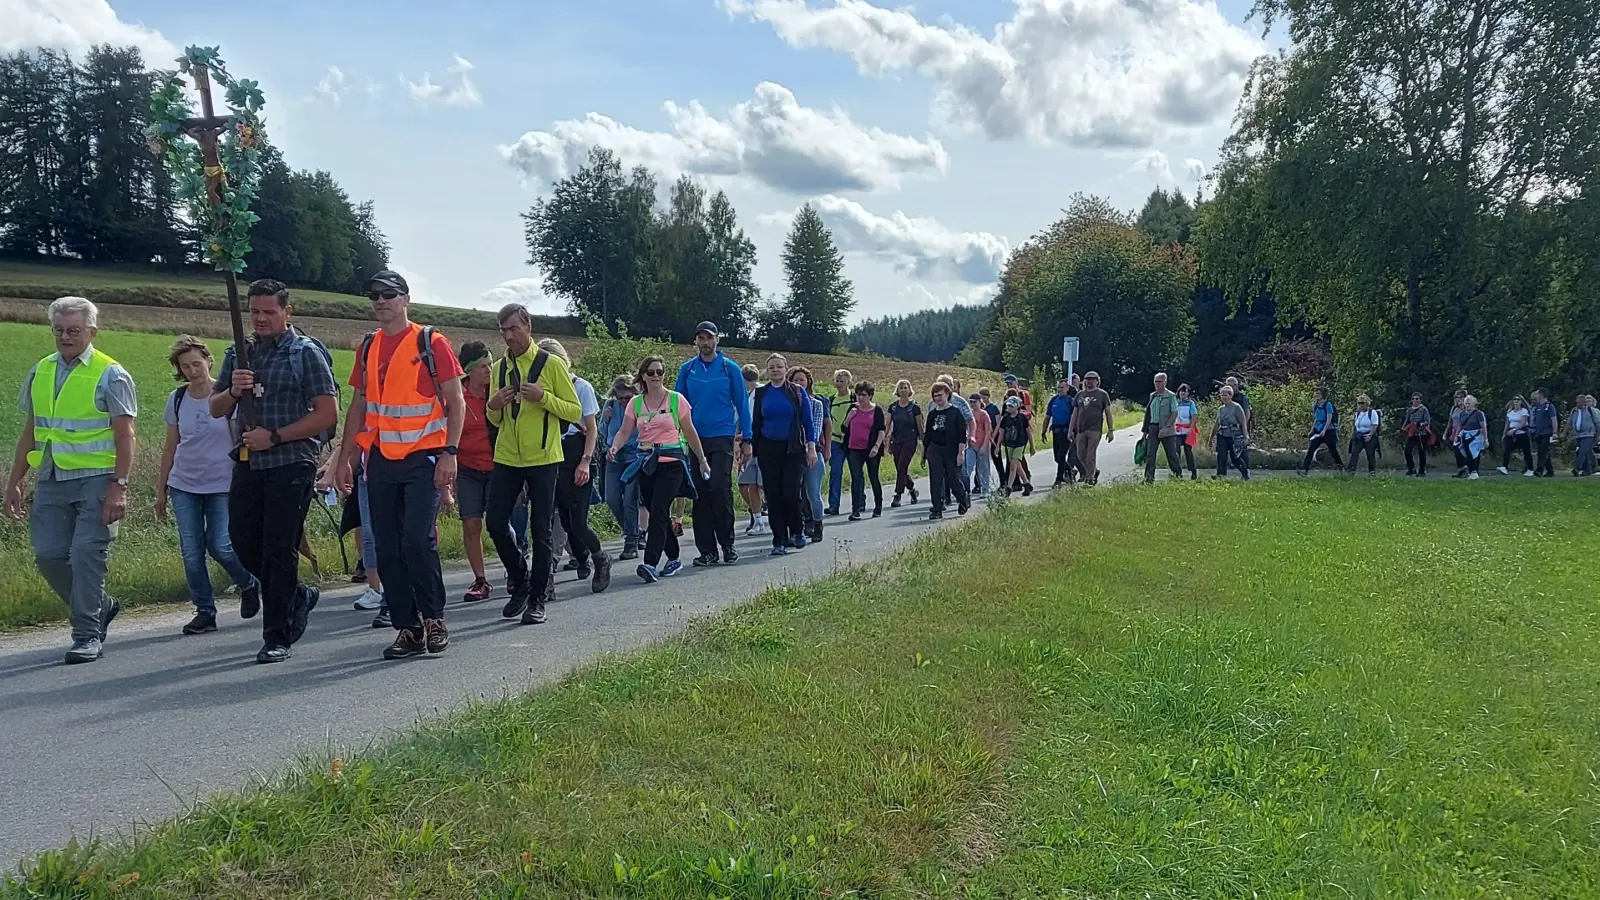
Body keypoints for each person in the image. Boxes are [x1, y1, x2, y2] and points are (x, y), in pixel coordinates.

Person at [335, 271, 465, 660]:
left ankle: (434, 619)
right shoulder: (369, 345)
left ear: (406, 299)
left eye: (388, 294)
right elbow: (359, 405)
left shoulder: (431, 342)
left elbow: (456, 402)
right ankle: (407, 628)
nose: (380, 301)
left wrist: (450, 453)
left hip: (424, 456)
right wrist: (345, 458)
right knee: (386, 548)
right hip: (381, 459)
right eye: (374, 295)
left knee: (416, 541)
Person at [211, 280, 339, 664]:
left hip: (293, 460)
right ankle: (296, 595)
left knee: (279, 549)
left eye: (270, 311)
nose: (262, 318)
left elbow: (327, 414)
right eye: (255, 311)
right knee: (242, 540)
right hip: (250, 462)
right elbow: (215, 409)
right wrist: (234, 392)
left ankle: (276, 635)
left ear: (287, 312)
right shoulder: (239, 353)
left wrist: (276, 436)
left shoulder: (305, 353)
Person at [6, 297, 137, 664]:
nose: (65, 337)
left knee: (85, 555)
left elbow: (126, 435)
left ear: (91, 332)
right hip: (51, 476)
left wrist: (120, 485)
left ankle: (86, 634)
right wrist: (15, 481)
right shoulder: (41, 371)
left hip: (97, 480)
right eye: (59, 330)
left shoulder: (111, 373)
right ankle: (100, 606)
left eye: (74, 330)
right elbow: (31, 431)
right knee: (48, 555)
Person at [483, 304, 583, 626]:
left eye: (514, 328)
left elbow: (573, 411)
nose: (509, 336)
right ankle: (521, 580)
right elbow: (493, 416)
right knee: (496, 522)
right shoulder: (499, 367)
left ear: (528, 326)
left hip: (544, 457)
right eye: (503, 331)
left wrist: (543, 397)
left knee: (540, 529)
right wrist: (493, 405)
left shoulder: (551, 365)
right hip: (507, 455)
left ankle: (537, 598)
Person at [155, 335, 259, 635]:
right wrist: (160, 489)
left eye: (196, 364)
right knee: (191, 551)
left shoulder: (225, 397)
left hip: (221, 484)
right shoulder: (177, 399)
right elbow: (170, 446)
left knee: (221, 546)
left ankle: (248, 582)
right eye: (185, 366)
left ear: (208, 362)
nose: (192, 370)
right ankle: (204, 611)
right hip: (184, 483)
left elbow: (240, 439)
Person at [608, 355, 712, 582]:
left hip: (672, 461)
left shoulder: (676, 400)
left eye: (659, 372)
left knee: (658, 510)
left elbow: (690, 430)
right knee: (658, 513)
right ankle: (674, 557)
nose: (656, 376)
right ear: (643, 376)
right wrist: (615, 447)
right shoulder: (635, 403)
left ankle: (650, 563)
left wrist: (702, 459)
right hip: (646, 462)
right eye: (651, 372)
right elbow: (625, 431)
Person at [538, 338, 611, 593]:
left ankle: (600, 558)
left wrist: (586, 462)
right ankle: (545, 580)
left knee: (576, 523)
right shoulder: (540, 390)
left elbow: (591, 430)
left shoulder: (581, 387)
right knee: (547, 521)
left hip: (577, 453)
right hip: (548, 455)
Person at [676, 322, 751, 567]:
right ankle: (707, 550)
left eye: (709, 338)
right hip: (694, 437)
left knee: (719, 487)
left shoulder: (730, 369)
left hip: (722, 436)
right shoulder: (687, 370)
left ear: (717, 340)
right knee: (700, 493)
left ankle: (727, 545)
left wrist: (747, 439)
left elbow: (742, 405)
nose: (705, 343)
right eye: (701, 338)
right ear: (696, 341)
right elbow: (677, 407)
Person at [752, 354, 818, 556]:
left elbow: (808, 421)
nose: (775, 370)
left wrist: (811, 447)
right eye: (771, 367)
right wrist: (751, 449)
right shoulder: (761, 393)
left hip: (793, 449)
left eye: (779, 367)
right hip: (768, 449)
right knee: (773, 495)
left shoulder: (796, 392)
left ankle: (797, 531)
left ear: (785, 369)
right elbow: (756, 423)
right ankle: (778, 540)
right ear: (767, 370)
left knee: (791, 492)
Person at [454, 341, 499, 602]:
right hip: (467, 468)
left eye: (490, 365)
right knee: (471, 523)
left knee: (497, 524)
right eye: (482, 367)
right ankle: (480, 579)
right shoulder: (457, 396)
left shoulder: (497, 391)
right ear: (469, 370)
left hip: (498, 466)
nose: (488, 371)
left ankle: (514, 571)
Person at [599, 374, 643, 559]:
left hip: (634, 456)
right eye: (620, 397)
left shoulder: (640, 406)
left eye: (627, 397)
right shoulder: (610, 406)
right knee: (612, 499)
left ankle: (631, 543)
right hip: (614, 457)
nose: (624, 401)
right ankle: (634, 531)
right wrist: (606, 419)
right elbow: (602, 430)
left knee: (629, 501)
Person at [788, 366, 828, 541]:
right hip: (791, 452)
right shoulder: (786, 403)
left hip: (811, 452)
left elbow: (816, 427)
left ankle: (817, 523)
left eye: (801, 380)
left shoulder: (816, 404)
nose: (798, 383)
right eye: (795, 380)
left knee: (813, 494)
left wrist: (808, 447)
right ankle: (798, 527)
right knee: (793, 494)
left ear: (808, 382)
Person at [922, 382, 970, 520]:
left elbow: (962, 434)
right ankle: (937, 508)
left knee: (952, 479)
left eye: (940, 395)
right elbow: (928, 435)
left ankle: (962, 499)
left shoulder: (955, 412)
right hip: (934, 449)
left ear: (947, 394)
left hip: (951, 450)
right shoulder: (932, 414)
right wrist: (924, 454)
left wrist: (960, 453)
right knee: (935, 479)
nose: (937, 398)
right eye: (934, 396)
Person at [841, 381, 888, 519]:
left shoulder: (877, 411)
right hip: (853, 449)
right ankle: (855, 510)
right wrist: (849, 417)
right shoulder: (853, 408)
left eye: (863, 395)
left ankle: (878, 506)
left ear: (870, 396)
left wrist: (876, 447)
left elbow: (881, 431)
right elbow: (844, 429)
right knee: (856, 478)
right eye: (858, 394)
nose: (860, 398)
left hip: (871, 449)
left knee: (873, 477)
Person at [1069, 371, 1113, 485]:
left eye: (1093, 379)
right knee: (1080, 455)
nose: (1090, 381)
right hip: (1081, 429)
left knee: (1090, 454)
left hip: (1095, 429)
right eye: (1088, 379)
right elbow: (1075, 413)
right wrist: (1070, 430)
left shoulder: (1102, 395)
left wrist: (1110, 430)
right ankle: (1093, 471)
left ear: (1097, 381)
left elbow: (1108, 412)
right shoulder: (1080, 395)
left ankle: (1089, 478)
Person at [736, 364, 766, 535]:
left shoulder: (762, 393)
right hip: (748, 447)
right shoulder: (746, 396)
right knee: (747, 484)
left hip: (762, 446)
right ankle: (757, 519)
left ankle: (777, 517)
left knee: (763, 484)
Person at [887, 380, 923, 506]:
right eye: (900, 388)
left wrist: (924, 442)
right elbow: (887, 425)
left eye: (905, 387)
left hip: (910, 440)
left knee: (902, 466)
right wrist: (884, 440)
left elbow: (920, 426)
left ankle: (898, 495)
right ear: (897, 390)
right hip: (896, 440)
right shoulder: (893, 407)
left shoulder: (915, 407)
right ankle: (912, 490)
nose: (903, 390)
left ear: (909, 390)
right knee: (900, 469)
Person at [1143, 372, 1181, 484]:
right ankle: (1149, 478)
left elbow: (1174, 412)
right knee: (1150, 454)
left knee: (1171, 453)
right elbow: (1148, 414)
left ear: (1165, 382)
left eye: (1159, 382)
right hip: (1153, 427)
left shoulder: (1171, 396)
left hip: (1166, 428)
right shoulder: (1152, 396)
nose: (1157, 384)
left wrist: (1167, 426)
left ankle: (1177, 474)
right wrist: (1145, 430)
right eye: (1156, 381)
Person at [824, 368, 852, 516]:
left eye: (842, 380)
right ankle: (833, 505)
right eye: (837, 381)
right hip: (835, 441)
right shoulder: (831, 400)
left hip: (852, 441)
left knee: (856, 473)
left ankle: (860, 502)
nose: (840, 383)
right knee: (835, 473)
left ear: (849, 381)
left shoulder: (855, 399)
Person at [1299, 387, 1343, 474]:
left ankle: (1340, 465)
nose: (1316, 395)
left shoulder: (1328, 405)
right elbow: (1316, 419)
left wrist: (1324, 430)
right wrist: (1311, 431)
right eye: (1316, 393)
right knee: (1311, 449)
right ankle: (1305, 469)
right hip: (1318, 430)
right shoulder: (1315, 405)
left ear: (1323, 395)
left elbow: (1329, 419)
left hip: (1328, 430)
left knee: (1332, 449)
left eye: (1318, 393)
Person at [1213, 385, 1250, 480]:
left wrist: (1245, 437)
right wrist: (1211, 437)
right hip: (1223, 434)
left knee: (1235, 457)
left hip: (1235, 435)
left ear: (1230, 395)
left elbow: (1243, 423)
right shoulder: (1221, 409)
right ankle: (1220, 475)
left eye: (1225, 395)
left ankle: (1245, 473)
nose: (1223, 397)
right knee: (1221, 455)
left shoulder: (1237, 407)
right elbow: (1216, 424)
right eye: (1222, 395)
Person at [1044, 379, 1076, 486]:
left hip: (1067, 431)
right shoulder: (1053, 401)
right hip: (1056, 431)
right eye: (1058, 387)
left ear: (1067, 388)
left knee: (1061, 455)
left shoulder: (1070, 401)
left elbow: (1075, 416)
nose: (1060, 389)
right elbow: (1048, 417)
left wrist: (1073, 431)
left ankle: (1058, 479)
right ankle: (1070, 470)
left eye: (1062, 387)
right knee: (1057, 457)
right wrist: (1043, 431)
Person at [999, 396, 1034, 495]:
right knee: (1018, 466)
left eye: (1011, 406)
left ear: (1017, 407)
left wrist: (1032, 446)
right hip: (1009, 444)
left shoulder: (1022, 418)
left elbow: (1028, 432)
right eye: (1008, 405)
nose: (1009, 407)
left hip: (1020, 444)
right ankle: (1027, 484)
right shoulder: (1005, 418)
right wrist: (997, 446)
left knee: (1013, 465)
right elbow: (1001, 432)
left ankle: (1008, 487)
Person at [1453, 395, 1489, 479]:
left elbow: (1483, 426)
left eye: (1469, 403)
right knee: (1464, 452)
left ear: (1474, 404)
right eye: (1466, 403)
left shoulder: (1479, 413)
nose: (1467, 405)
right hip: (1465, 435)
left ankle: (1474, 471)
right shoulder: (1462, 414)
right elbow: (1460, 425)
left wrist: (1485, 439)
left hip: (1476, 435)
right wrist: (1456, 436)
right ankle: (1469, 470)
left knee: (1473, 453)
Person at [1498, 395, 1534, 476]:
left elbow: (1522, 423)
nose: (1516, 401)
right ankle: (1504, 467)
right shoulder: (1510, 412)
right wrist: (1504, 434)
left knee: (1526, 452)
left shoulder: (1524, 411)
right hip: (1510, 433)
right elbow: (1507, 424)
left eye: (1518, 399)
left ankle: (1530, 469)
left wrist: (1514, 430)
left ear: (1521, 401)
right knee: (1507, 450)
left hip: (1522, 433)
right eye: (1514, 399)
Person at [1346, 394, 1382, 474]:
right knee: (1354, 452)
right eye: (1359, 403)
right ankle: (1351, 471)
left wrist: (1370, 435)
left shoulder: (1372, 413)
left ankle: (1372, 471)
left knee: (1370, 454)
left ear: (1367, 403)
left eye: (1362, 403)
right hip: (1359, 435)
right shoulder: (1358, 414)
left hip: (1369, 435)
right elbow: (1356, 425)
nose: (1360, 405)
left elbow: (1375, 424)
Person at [967, 392, 994, 499]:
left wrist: (984, 446)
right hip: (971, 444)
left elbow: (988, 431)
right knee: (968, 467)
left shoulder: (984, 414)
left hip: (983, 443)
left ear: (979, 402)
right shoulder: (969, 414)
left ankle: (985, 489)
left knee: (983, 467)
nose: (973, 404)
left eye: (974, 402)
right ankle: (965, 490)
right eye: (971, 402)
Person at [1401, 393, 1434, 477]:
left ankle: (1422, 470)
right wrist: (1403, 428)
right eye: (1413, 399)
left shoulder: (1423, 409)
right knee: (1407, 451)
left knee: (1421, 452)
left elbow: (1427, 421)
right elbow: (1407, 420)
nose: (1415, 401)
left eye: (1417, 399)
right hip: (1412, 433)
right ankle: (1411, 469)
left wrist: (1420, 424)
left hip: (1421, 433)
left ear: (1420, 400)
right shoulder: (1410, 410)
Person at [1529, 389, 1558, 477]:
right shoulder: (1538, 406)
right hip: (1538, 433)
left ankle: (1539, 469)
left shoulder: (1549, 406)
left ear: (1541, 394)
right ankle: (1550, 471)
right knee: (1543, 452)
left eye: (1537, 394)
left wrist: (1554, 432)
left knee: (1543, 451)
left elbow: (1554, 419)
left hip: (1547, 432)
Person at [1173, 383, 1199, 479]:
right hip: (1177, 430)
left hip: (1187, 430)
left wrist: (1191, 428)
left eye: (1185, 391)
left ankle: (1193, 470)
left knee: (1188, 451)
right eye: (1181, 391)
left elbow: (1194, 415)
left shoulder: (1190, 403)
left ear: (1188, 393)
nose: (1183, 393)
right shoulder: (1175, 402)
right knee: (1176, 451)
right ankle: (1176, 471)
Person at [1570, 394, 1597, 476]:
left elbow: (1598, 423)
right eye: (1577, 402)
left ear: (1584, 403)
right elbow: (1569, 422)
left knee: (1582, 451)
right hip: (1578, 435)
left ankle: (1577, 468)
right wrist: (1564, 433)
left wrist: (1598, 435)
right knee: (1585, 452)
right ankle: (1588, 470)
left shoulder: (1591, 411)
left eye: (1579, 403)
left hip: (1589, 434)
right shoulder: (1574, 411)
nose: (1577, 404)